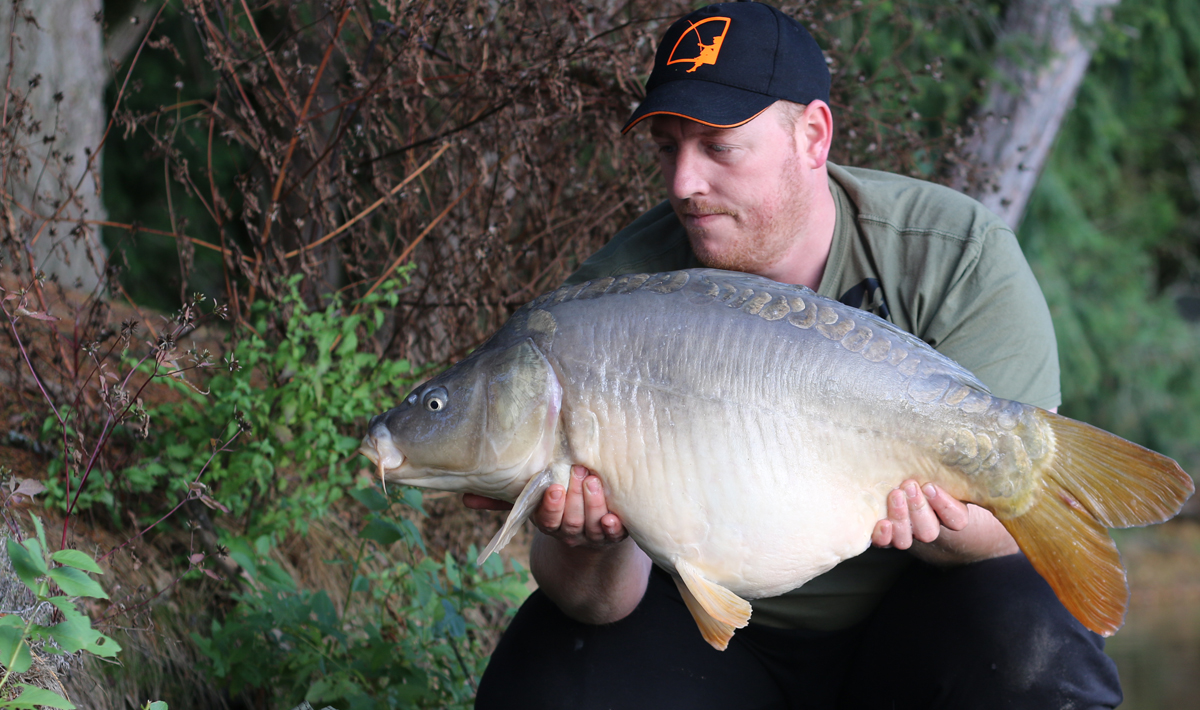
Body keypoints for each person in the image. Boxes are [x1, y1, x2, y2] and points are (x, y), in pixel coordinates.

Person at [467, 3, 1123, 708]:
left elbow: (1024, 531)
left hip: (913, 618)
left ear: (812, 136)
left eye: (718, 146)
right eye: (667, 148)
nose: (683, 182)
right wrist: (587, 540)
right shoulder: (604, 306)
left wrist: (947, 526)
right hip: (702, 633)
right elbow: (600, 603)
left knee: (1030, 636)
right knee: (547, 677)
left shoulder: (954, 255)